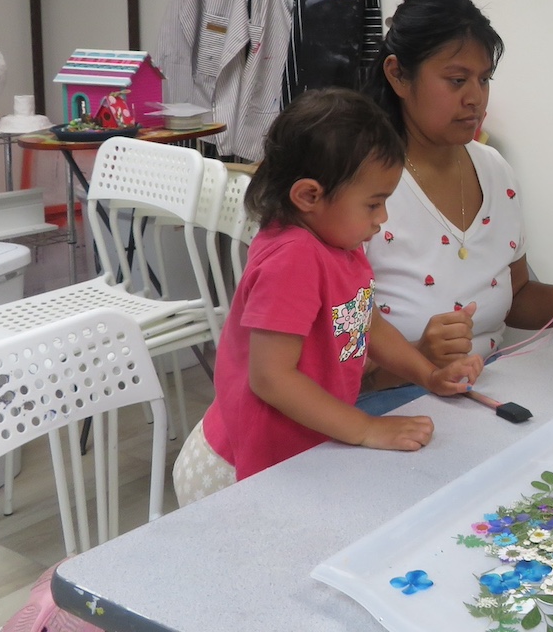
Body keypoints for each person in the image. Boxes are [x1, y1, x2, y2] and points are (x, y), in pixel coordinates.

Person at [172, 88, 483, 507]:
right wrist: (366, 427)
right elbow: (271, 378)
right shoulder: (293, 258)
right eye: (373, 204)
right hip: (236, 467)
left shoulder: (339, 243)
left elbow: (366, 323)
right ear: (309, 196)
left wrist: (427, 375)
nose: (383, 217)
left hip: (299, 448)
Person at [359, 0, 553, 410]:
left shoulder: (494, 170)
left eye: (484, 79)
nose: (475, 98)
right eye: (457, 80)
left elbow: (516, 296)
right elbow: (323, 361)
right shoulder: (358, 186)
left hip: (486, 391)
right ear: (398, 75)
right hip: (392, 405)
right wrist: (419, 358)